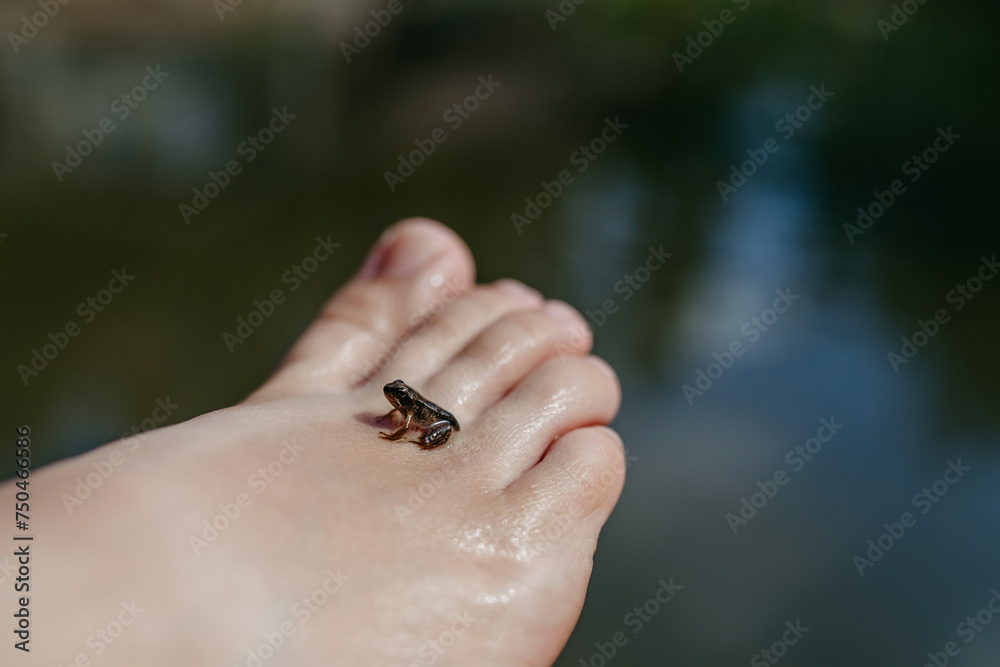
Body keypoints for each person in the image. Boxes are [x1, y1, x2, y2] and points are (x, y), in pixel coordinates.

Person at [19, 218, 625, 666]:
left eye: (395, 400)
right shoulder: (401, 406)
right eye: (393, 400)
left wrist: (412, 438)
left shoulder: (412, 412)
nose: (391, 404)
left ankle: (116, 548)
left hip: (443, 422)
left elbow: (422, 421)